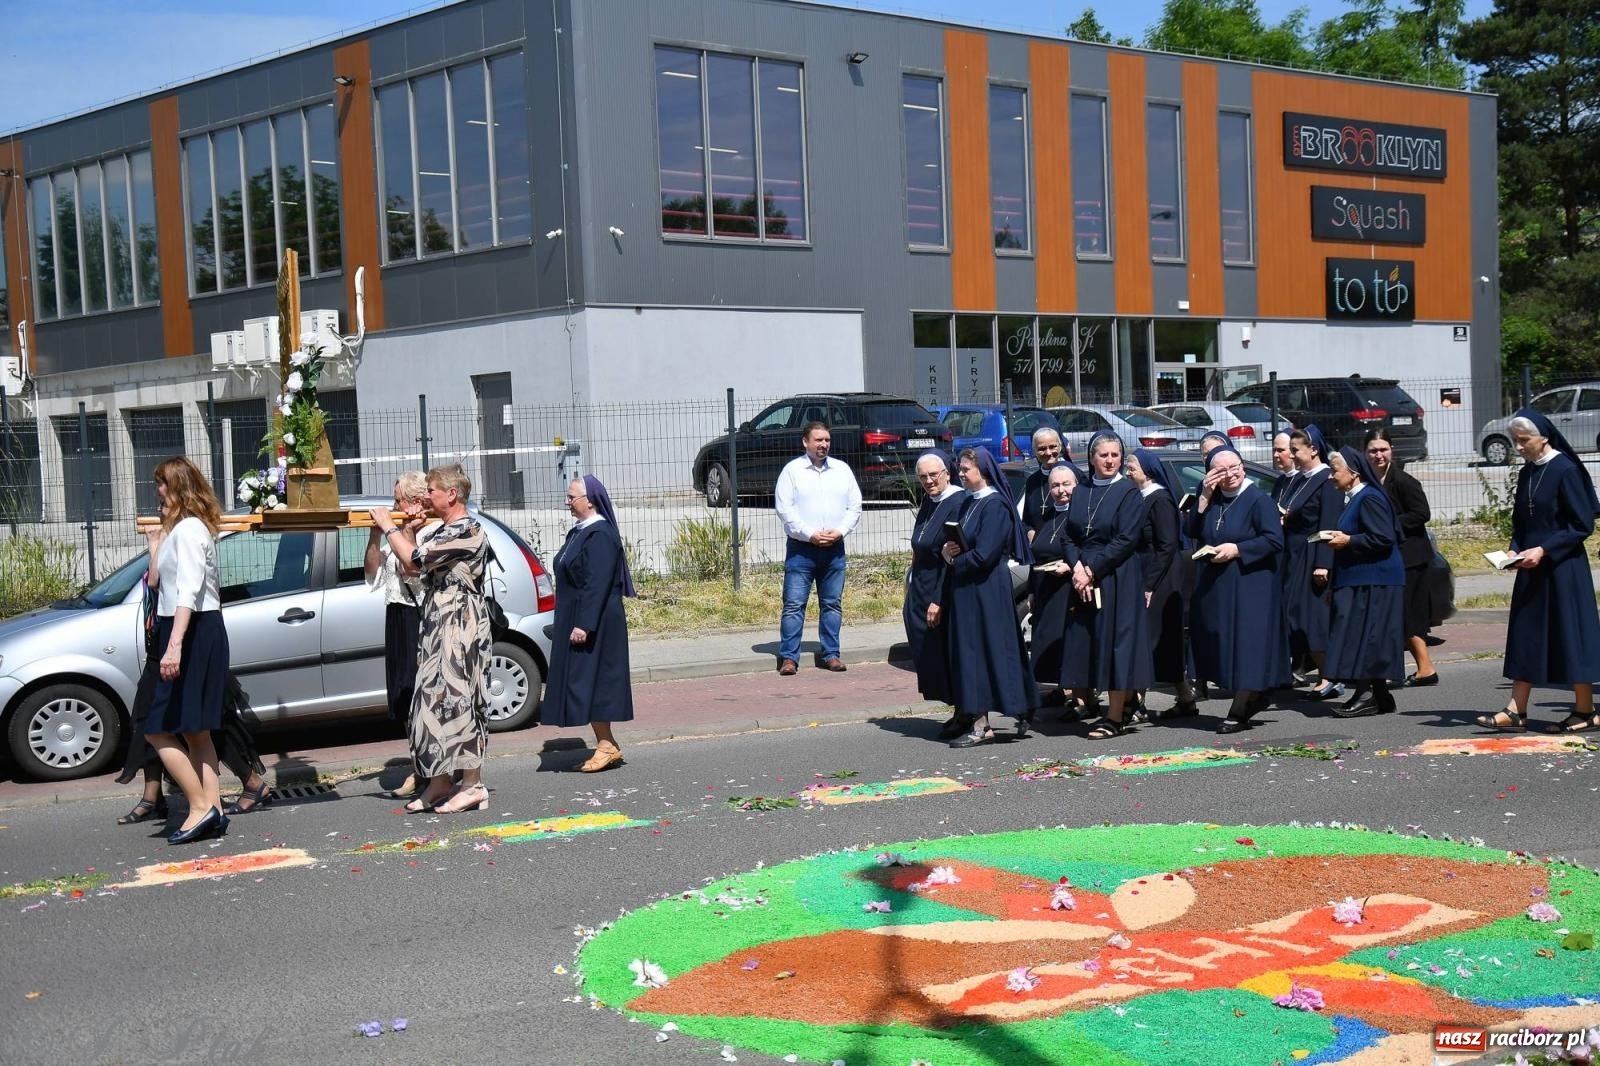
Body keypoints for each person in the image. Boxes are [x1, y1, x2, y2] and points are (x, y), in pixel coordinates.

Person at [371, 464, 493, 814]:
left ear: (451, 495)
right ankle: (440, 780)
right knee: (428, 701)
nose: (426, 496)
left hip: (461, 624)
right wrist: (406, 527)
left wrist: (389, 526)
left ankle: (472, 784)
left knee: (462, 699)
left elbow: (415, 558)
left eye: (433, 491)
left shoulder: (468, 531)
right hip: (436, 624)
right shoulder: (444, 530)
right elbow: (411, 566)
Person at [1478, 410, 1600, 734]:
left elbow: (1581, 525)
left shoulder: (1566, 469)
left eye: (1524, 441)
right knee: (1525, 634)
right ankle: (1515, 710)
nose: (1518, 447)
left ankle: (1586, 710)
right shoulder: (1528, 472)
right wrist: (1513, 550)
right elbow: (1523, 522)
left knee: (1570, 636)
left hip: (1563, 568)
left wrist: (1544, 550)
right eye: (1515, 441)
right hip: (1531, 568)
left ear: (1544, 437)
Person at [143, 457, 232, 845]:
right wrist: (158, 540)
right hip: (185, 627)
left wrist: (174, 645)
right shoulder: (179, 529)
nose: (157, 490)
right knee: (196, 730)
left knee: (157, 729)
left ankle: (200, 807)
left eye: (162, 484)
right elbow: (157, 581)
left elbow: (189, 590)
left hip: (191, 628)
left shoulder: (192, 529)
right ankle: (213, 808)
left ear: (176, 486)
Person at [1187, 446, 1291, 734]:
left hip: (1251, 585)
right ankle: (1255, 694)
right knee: (1225, 645)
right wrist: (1204, 499)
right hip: (1219, 588)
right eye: (1220, 471)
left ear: (1243, 467)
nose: (1229, 475)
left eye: (1234, 467)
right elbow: (1193, 531)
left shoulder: (1258, 500)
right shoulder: (1214, 499)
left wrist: (1238, 549)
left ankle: (1240, 708)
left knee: (1247, 647)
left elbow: (1274, 540)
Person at [1055, 433, 1152, 739]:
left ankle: (1115, 717)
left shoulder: (1128, 492)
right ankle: (1098, 703)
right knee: (1090, 641)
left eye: (1115, 455)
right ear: (1091, 458)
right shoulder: (1082, 489)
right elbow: (1068, 535)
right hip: (1085, 573)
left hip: (1117, 576)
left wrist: (1091, 569)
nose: (1110, 461)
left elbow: (1126, 540)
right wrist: (1078, 567)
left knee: (1116, 644)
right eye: (1104, 455)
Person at [938, 447, 1033, 747]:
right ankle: (1010, 709)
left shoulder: (996, 506)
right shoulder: (968, 502)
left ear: (983, 471)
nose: (961, 474)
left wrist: (955, 561)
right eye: (961, 469)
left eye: (966, 469)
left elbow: (985, 554)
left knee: (984, 653)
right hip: (967, 588)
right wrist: (946, 551)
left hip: (987, 589)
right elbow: (961, 543)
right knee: (972, 653)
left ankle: (983, 725)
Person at [543, 476, 637, 772]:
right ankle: (606, 743)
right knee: (588, 682)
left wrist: (583, 624)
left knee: (596, 683)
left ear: (590, 500)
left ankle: (607, 745)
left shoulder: (600, 535)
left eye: (572, 497)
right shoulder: (581, 531)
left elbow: (596, 584)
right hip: (581, 618)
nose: (567, 502)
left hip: (596, 623)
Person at [1323, 447, 1407, 718]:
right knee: (1363, 635)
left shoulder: (1369, 498)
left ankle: (1366, 694)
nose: (1331, 477)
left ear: (1354, 473)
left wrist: (1348, 540)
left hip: (1376, 579)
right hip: (1362, 577)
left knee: (1367, 637)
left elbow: (1383, 538)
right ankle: (1380, 696)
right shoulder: (1354, 497)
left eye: (1335, 470)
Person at [774, 422, 862, 675]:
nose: (823, 445)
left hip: (834, 549)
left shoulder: (842, 470)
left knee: (832, 604)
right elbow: (785, 509)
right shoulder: (792, 471)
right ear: (805, 442)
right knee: (793, 604)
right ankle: (789, 658)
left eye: (826, 440)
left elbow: (855, 506)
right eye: (818, 440)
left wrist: (840, 531)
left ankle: (831, 654)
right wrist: (809, 534)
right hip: (802, 549)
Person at [365, 471, 432, 799]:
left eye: (397, 500)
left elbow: (415, 572)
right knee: (404, 694)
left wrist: (403, 531)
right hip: (396, 613)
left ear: (417, 502)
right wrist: (375, 536)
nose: (393, 506)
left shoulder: (428, 529)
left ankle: (430, 769)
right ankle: (418, 764)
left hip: (417, 616)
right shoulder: (394, 532)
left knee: (421, 692)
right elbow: (372, 575)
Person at [1364, 429, 1440, 686]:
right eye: (1373, 450)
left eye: (1383, 449)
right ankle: (1408, 668)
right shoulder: (1369, 481)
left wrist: (1388, 524)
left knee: (1408, 614)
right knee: (1393, 615)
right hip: (1388, 557)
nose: (1378, 455)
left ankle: (1425, 668)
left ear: (1391, 450)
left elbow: (1422, 513)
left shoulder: (1403, 481)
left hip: (1411, 558)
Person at [1127, 448, 1194, 718]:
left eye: (1132, 466)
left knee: (1152, 639)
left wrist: (1149, 584)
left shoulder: (1160, 499)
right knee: (1156, 640)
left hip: (1160, 577)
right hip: (1145, 573)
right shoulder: (1139, 497)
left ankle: (1136, 702)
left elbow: (1167, 545)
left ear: (1147, 469)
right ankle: (1185, 695)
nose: (1127, 470)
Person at [903, 451, 967, 724]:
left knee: (945, 653)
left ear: (947, 474)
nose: (929, 481)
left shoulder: (958, 501)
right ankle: (954, 707)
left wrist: (938, 599)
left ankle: (964, 710)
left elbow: (952, 557)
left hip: (941, 590)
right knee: (928, 653)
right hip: (920, 586)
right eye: (923, 477)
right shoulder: (929, 502)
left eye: (934, 475)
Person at [1281, 426, 1344, 700]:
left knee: (1313, 619)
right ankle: (1324, 672)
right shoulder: (1298, 479)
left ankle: (1331, 676)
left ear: (1314, 449)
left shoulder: (1325, 480)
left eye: (1296, 450)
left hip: (1313, 557)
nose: (1292, 456)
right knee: (1295, 618)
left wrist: (1324, 563)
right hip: (1294, 556)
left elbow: (1328, 523)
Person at [1027, 463, 1079, 716]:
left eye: (1066, 484)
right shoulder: (1048, 516)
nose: (1061, 490)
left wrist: (1070, 566)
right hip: (1046, 589)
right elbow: (1035, 555)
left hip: (1069, 589)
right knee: (1048, 645)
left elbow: (1091, 549)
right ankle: (1062, 690)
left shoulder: (1082, 515)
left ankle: (1081, 699)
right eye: (1055, 486)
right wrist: (1032, 591)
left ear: (1077, 485)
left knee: (1070, 645)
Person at [1020, 427, 1082, 535]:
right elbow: (1027, 519)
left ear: (1060, 447)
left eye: (1052, 447)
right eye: (1042, 448)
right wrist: (1029, 531)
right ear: (1034, 451)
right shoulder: (1032, 481)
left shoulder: (1076, 475)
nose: (1048, 453)